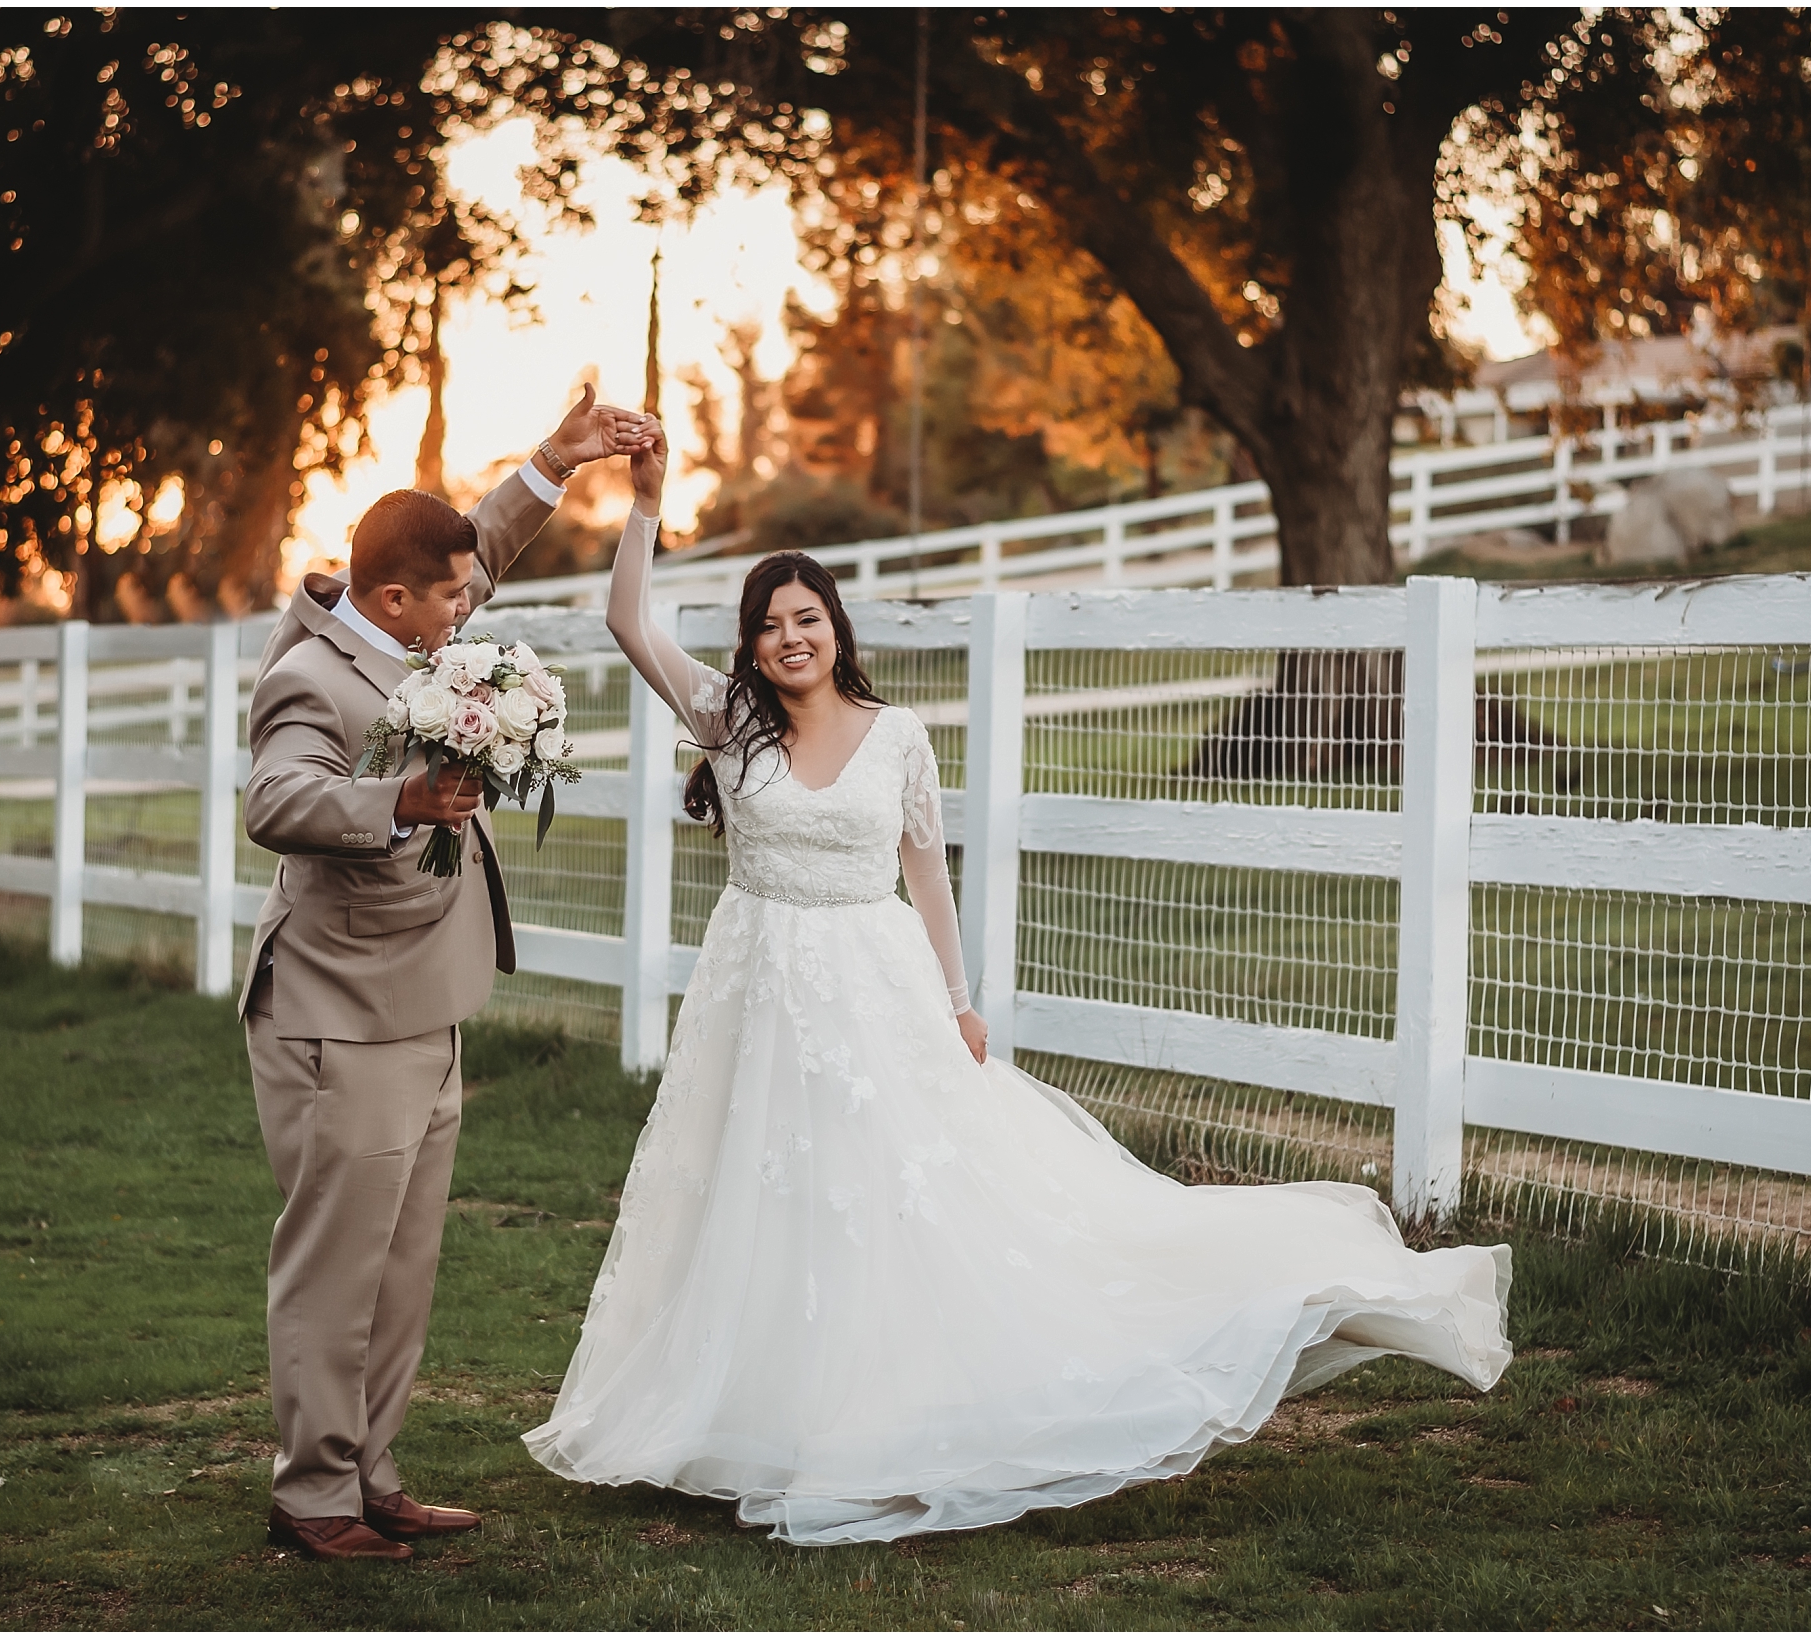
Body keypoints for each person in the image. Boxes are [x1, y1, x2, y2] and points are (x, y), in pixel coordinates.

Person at [523, 419, 1514, 1546]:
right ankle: (759, 1413)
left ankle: (892, 1408)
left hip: (872, 984)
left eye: (806, 618)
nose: (788, 638)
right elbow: (624, 620)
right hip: (755, 993)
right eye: (767, 626)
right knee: (760, 1198)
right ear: (748, 649)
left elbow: (924, 874)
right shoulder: (728, 725)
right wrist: (646, 499)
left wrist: (957, 1001)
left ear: (834, 627)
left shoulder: (896, 735)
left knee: (894, 1196)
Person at [242, 384, 655, 1563]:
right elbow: (272, 802)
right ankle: (311, 1495)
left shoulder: (415, 630)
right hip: (342, 1016)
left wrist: (553, 464)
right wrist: (401, 799)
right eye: (454, 595)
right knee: (334, 1265)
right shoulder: (311, 678)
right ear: (392, 601)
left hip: (428, 1003)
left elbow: (472, 547)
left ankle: (372, 1471)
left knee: (403, 1263)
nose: (474, 604)